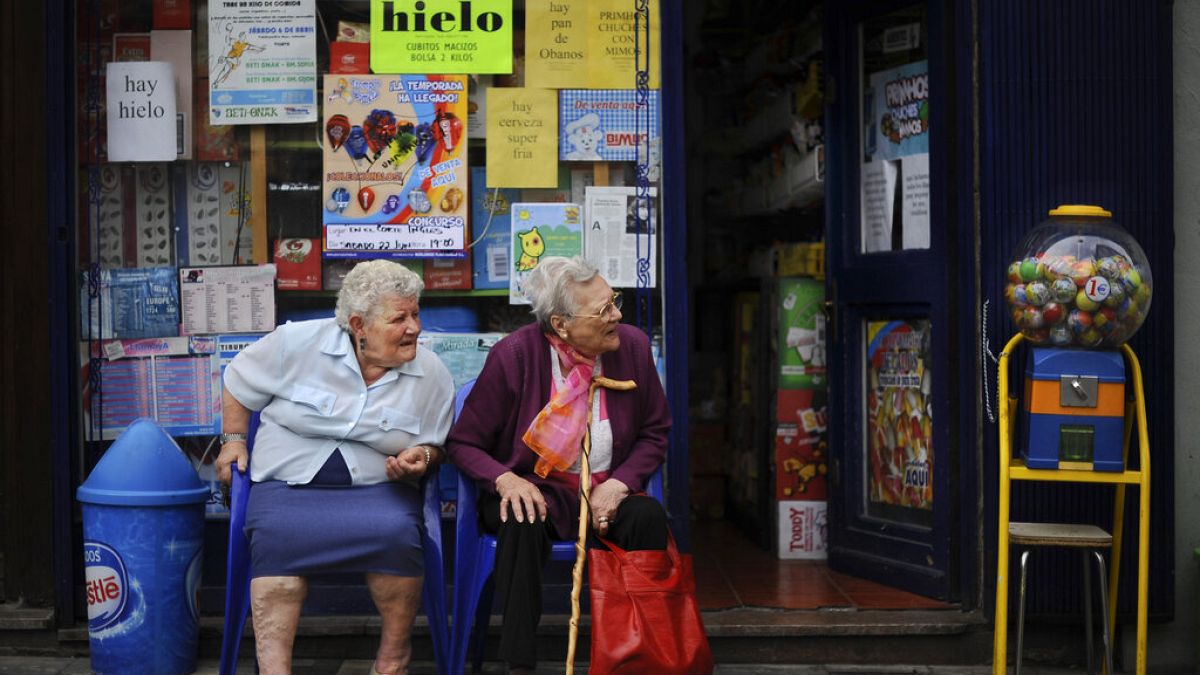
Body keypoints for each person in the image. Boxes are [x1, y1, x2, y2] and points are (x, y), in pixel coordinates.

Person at [216, 259, 454, 675]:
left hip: (380, 492)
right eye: (400, 318)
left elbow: (436, 445)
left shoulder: (430, 373)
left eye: (416, 314)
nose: (414, 327)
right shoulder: (297, 343)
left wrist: (423, 460)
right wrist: (234, 440)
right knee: (276, 543)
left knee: (399, 535)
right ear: (359, 325)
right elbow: (238, 380)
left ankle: (393, 658)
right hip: (288, 487)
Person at [446, 256, 671, 674]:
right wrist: (505, 479)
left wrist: (620, 484)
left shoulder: (633, 348)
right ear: (561, 324)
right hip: (537, 488)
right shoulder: (513, 357)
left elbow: (655, 431)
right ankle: (519, 663)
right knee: (521, 517)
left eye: (614, 302)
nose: (616, 315)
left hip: (607, 491)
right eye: (603, 310)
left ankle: (640, 658)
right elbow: (463, 443)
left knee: (647, 517)